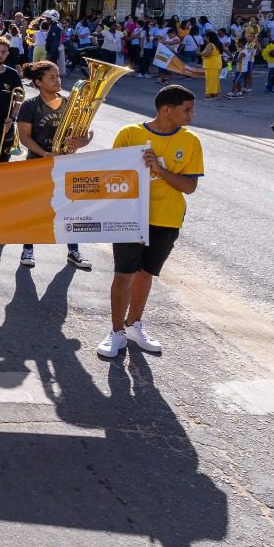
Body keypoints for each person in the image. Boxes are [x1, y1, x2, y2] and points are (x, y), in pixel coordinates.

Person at [102, 85, 203, 359]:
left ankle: (134, 325)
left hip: (167, 218)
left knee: (146, 273)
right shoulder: (130, 133)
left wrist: (160, 169)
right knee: (123, 274)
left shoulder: (191, 141)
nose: (192, 115)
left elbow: (190, 186)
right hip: (130, 216)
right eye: (187, 109)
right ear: (166, 110)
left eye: (192, 109)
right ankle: (115, 333)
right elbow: (111, 176)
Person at [14, 61, 94, 272]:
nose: (58, 80)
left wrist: (83, 141)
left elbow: (87, 131)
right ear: (39, 82)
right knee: (34, 208)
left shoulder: (70, 102)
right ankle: (28, 248)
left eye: (58, 76)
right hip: (37, 164)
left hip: (66, 164)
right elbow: (25, 138)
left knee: (69, 208)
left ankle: (73, 250)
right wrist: (46, 154)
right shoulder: (29, 106)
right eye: (52, 77)